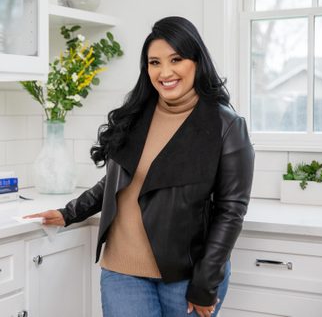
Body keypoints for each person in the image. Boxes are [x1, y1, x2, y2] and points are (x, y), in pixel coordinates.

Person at [24, 16, 255, 317]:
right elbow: (118, 181)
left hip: (185, 275)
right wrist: (69, 213)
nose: (165, 72)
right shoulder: (135, 115)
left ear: (197, 61)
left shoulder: (226, 125)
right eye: (154, 62)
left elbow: (231, 210)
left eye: (176, 59)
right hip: (122, 272)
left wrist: (206, 282)